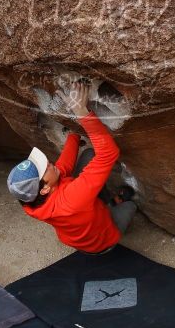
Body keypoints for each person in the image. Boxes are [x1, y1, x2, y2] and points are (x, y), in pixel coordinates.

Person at [7, 81, 137, 254]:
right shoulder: (72, 199)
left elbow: (63, 168)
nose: (48, 163)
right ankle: (113, 204)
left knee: (88, 155)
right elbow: (108, 153)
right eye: (44, 168)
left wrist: (74, 134)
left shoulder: (30, 200)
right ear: (45, 188)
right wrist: (82, 113)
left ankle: (106, 201)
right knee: (130, 206)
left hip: (79, 223)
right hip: (102, 242)